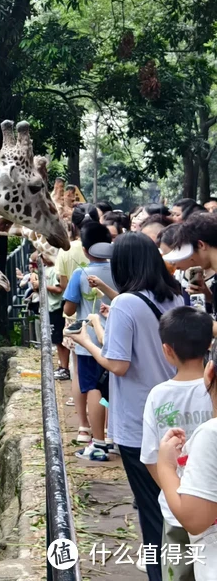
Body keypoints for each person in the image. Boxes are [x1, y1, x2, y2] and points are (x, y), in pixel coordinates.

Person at [66, 232, 182, 581]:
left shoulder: (126, 304)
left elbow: (118, 364)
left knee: (151, 511)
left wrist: (86, 339)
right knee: (175, 503)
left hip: (139, 419)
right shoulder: (175, 297)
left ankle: (160, 574)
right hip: (176, 414)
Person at [141, 306, 214, 581]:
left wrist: (175, 491)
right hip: (213, 508)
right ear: (209, 344)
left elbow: (151, 457)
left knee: (179, 572)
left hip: (176, 512)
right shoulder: (213, 387)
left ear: (167, 350)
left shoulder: (158, 396)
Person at [64, 221, 116, 459]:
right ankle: (113, 435)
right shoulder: (120, 270)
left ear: (84, 250)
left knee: (94, 389)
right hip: (117, 338)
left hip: (90, 343)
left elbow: (68, 308)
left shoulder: (80, 273)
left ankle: (98, 442)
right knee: (112, 389)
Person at [50, 204, 97, 387]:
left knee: (78, 367)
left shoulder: (66, 250)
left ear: (73, 225)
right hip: (103, 311)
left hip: (75, 314)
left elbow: (63, 286)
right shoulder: (107, 247)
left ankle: (83, 413)